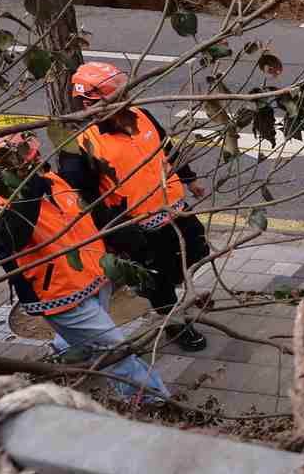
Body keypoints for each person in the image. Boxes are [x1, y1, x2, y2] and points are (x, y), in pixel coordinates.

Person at [0, 129, 170, 403]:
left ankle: (67, 353)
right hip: (60, 297)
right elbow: (16, 236)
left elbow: (83, 218)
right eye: (29, 159)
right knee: (116, 353)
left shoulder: (54, 181)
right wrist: (30, 188)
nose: (38, 161)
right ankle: (154, 402)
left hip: (94, 278)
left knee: (93, 340)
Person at [58, 62, 209, 352]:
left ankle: (171, 288)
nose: (127, 99)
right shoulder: (80, 145)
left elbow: (167, 149)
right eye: (119, 96)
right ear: (90, 103)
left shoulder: (142, 116)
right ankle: (175, 324)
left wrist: (190, 179)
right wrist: (118, 235)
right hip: (137, 226)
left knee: (198, 249)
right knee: (157, 280)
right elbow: (85, 201)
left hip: (175, 209)